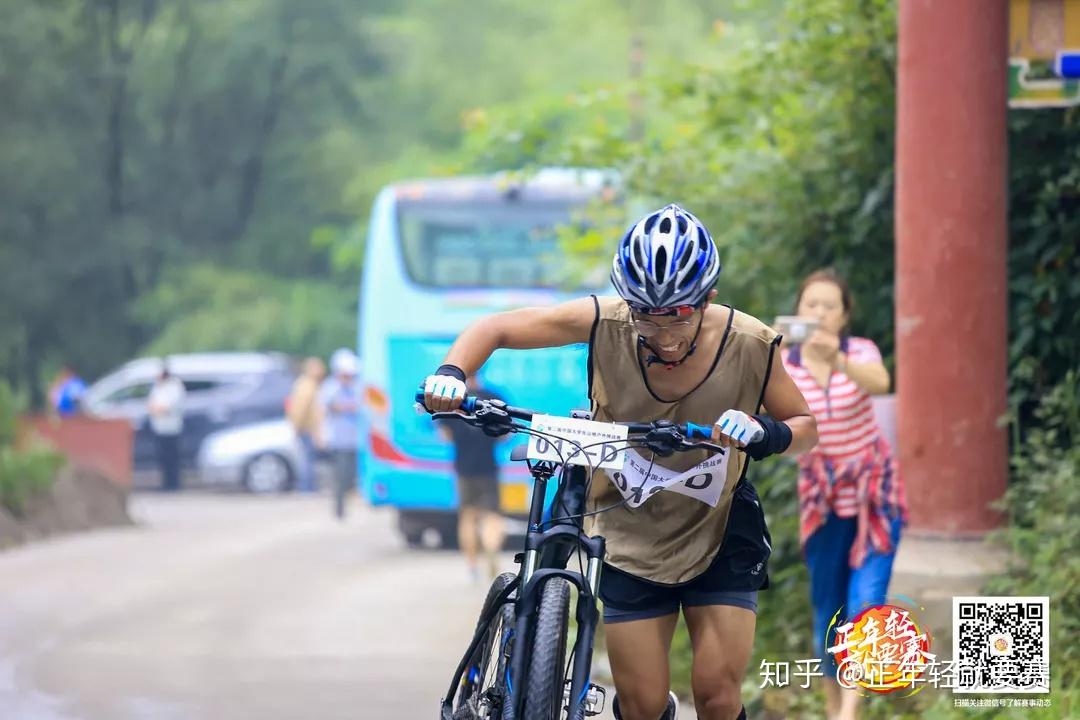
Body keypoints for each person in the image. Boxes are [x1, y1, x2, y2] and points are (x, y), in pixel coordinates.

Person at [423, 204, 818, 720]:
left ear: (707, 300)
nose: (663, 334)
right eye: (645, 317)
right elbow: (497, 327)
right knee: (642, 705)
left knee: (718, 695)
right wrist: (452, 372)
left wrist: (766, 430)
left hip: (719, 526)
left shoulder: (749, 343)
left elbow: (806, 428)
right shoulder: (604, 321)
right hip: (627, 527)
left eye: (677, 315)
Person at [781, 269, 907, 720]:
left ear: (844, 315)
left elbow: (881, 383)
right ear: (797, 312)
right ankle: (835, 709)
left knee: (866, 604)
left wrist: (837, 360)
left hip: (875, 497)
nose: (819, 313)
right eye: (811, 305)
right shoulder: (784, 365)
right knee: (828, 612)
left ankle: (848, 714)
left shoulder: (860, 352)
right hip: (823, 502)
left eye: (829, 306)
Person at [437, 373, 507, 582]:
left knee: (467, 516)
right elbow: (505, 435)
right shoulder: (493, 397)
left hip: (464, 468)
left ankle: (472, 566)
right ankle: (491, 549)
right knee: (492, 516)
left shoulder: (451, 401)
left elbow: (445, 436)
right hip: (488, 466)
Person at [320, 348, 363, 519]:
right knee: (340, 476)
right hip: (338, 440)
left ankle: (345, 503)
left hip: (354, 439)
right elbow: (327, 406)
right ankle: (339, 509)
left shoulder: (356, 387)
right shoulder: (331, 387)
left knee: (350, 476)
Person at [287, 357, 326, 493]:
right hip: (307, 428)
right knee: (307, 458)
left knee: (308, 457)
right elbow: (300, 409)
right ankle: (307, 487)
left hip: (308, 427)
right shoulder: (307, 386)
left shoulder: (307, 384)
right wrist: (298, 426)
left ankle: (308, 486)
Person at [148, 360, 186, 492]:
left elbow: (168, 406)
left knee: (172, 458)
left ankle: (174, 484)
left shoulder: (174, 386)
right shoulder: (158, 386)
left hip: (172, 428)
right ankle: (166, 483)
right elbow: (152, 404)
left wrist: (159, 409)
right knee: (163, 458)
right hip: (160, 427)